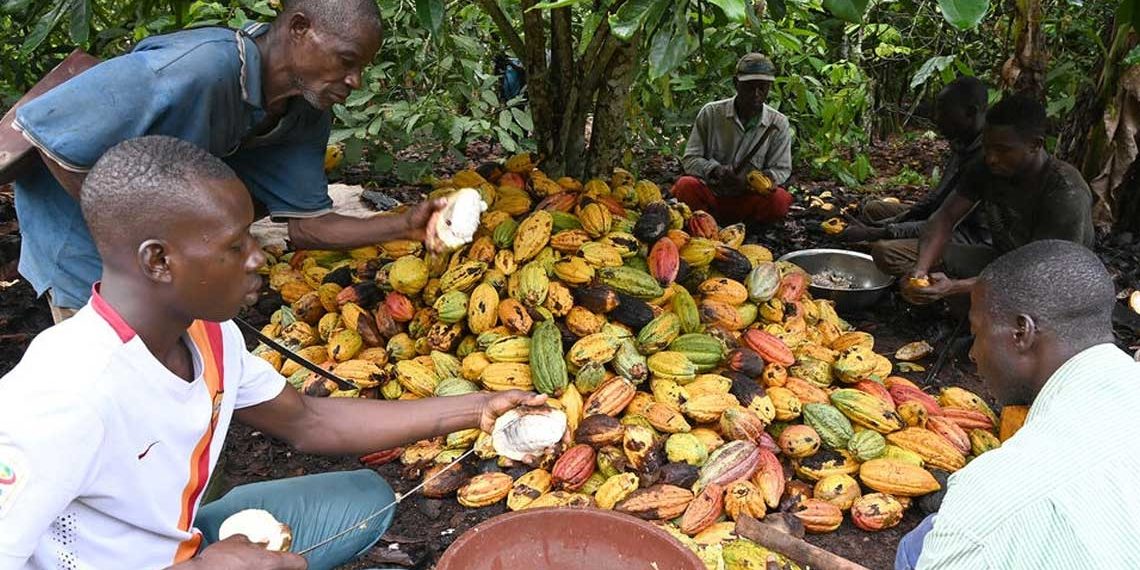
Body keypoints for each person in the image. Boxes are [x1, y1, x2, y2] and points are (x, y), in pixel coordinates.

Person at [0, 136, 545, 570]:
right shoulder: (61, 393)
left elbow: (308, 420)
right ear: (159, 261)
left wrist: (476, 408)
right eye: (237, 244)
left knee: (361, 500)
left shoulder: (209, 335)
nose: (260, 258)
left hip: (181, 545)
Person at [11, 0, 445, 323]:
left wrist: (406, 224)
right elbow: (49, 132)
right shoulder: (199, 69)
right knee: (111, 394)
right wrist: (135, 240)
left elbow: (308, 224)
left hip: (167, 262)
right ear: (298, 28)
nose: (356, 81)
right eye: (347, 61)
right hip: (86, 250)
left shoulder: (304, 108)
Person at [894, 240, 1140, 569]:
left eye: (977, 332)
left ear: (1021, 332)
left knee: (917, 551)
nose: (973, 353)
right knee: (922, 536)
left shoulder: (994, 491)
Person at [900, 93, 1095, 305]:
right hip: (1003, 261)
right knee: (925, 257)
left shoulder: (1066, 193)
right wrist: (920, 271)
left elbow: (1042, 274)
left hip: (1054, 284)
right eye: (987, 147)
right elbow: (945, 217)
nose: (992, 158)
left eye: (1003, 150)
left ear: (1035, 145)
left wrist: (955, 287)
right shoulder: (987, 167)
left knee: (1013, 303)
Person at [843, 77, 991, 276]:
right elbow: (935, 201)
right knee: (874, 209)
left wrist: (880, 232)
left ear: (970, 112)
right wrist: (887, 224)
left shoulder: (988, 157)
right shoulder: (962, 144)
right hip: (942, 218)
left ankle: (936, 283)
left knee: (886, 252)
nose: (936, 118)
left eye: (944, 111)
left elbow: (946, 223)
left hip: (968, 237)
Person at [674, 53, 794, 226]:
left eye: (763, 88)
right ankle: (705, 224)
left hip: (748, 199)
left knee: (780, 200)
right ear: (736, 83)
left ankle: (748, 228)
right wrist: (715, 171)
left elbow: (782, 169)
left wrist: (760, 180)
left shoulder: (778, 122)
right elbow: (690, 160)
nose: (756, 94)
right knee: (685, 185)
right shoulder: (711, 114)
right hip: (713, 195)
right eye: (749, 87)